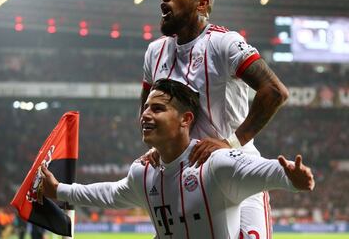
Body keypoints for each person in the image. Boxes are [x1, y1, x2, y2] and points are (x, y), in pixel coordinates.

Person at [41, 79, 314, 239]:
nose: (145, 115)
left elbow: (263, 171)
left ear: (186, 120)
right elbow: (111, 193)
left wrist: (292, 177)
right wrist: (58, 190)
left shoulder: (215, 164)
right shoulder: (143, 171)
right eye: (146, 107)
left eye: (157, 109)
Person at [140, 0, 289, 237]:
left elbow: (274, 91)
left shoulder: (224, 43)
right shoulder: (155, 51)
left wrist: (229, 143)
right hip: (182, 181)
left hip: (235, 175)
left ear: (202, 4)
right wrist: (158, 146)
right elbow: (147, 107)